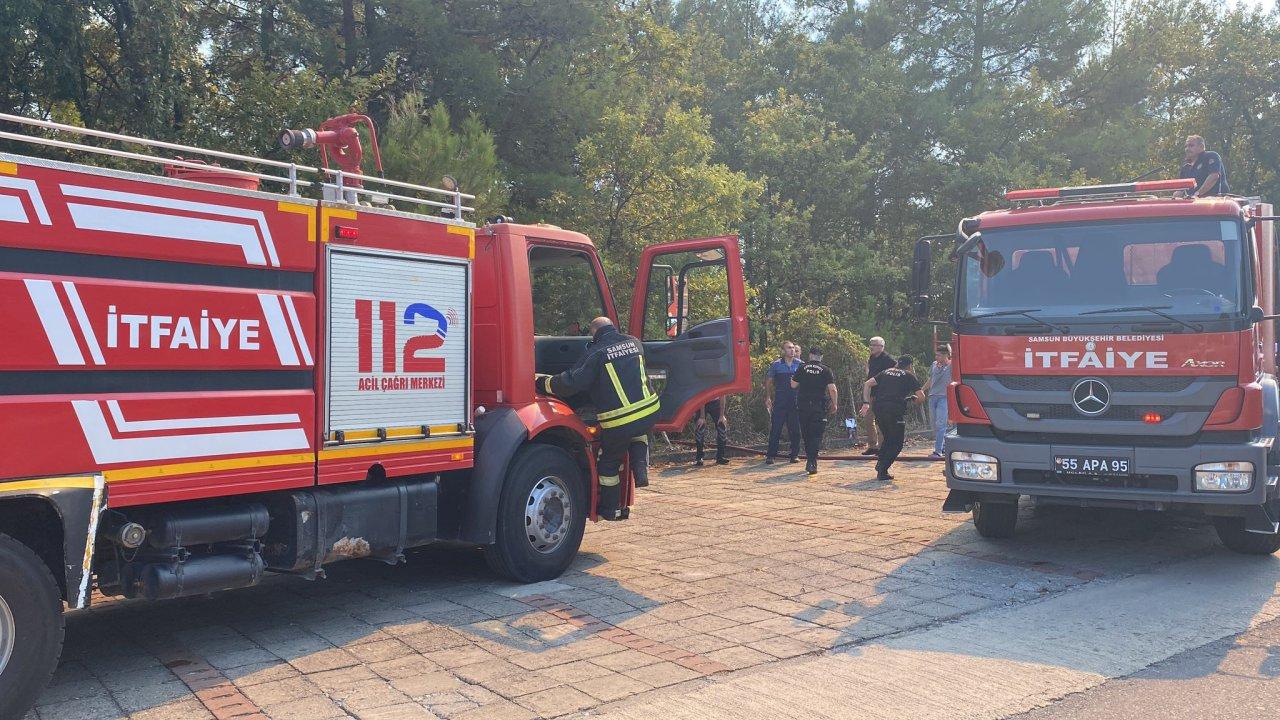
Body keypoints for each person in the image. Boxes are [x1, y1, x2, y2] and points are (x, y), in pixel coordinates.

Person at [536, 317, 658, 519]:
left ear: (594, 334)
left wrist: (543, 383)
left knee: (609, 464)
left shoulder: (596, 352)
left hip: (620, 421)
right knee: (639, 430)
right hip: (650, 411)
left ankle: (611, 510)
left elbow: (571, 383)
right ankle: (640, 469)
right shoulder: (634, 342)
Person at [861, 355, 924, 482]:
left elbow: (867, 384)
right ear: (910, 366)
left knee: (888, 439)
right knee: (897, 443)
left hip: (879, 408)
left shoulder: (886, 372)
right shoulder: (908, 375)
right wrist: (915, 400)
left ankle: (880, 464)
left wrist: (866, 402)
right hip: (894, 411)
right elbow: (921, 397)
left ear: (897, 363)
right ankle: (883, 469)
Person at [791, 346, 838, 475]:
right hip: (818, 406)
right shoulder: (826, 370)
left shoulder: (802, 367)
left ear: (810, 355)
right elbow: (832, 389)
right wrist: (834, 404)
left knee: (806, 433)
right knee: (816, 434)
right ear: (821, 357)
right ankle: (812, 461)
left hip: (803, 405)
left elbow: (793, 384)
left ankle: (809, 459)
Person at [764, 341, 802, 464]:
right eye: (789, 348)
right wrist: (768, 397)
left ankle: (794, 454)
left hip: (795, 401)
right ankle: (771, 455)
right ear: (783, 351)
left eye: (793, 348)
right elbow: (769, 381)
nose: (792, 350)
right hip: (780, 401)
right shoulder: (776, 365)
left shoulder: (800, 364)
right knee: (776, 428)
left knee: (795, 429)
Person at [861, 336, 896, 456]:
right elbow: (869, 371)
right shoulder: (871, 358)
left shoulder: (888, 359)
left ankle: (882, 447)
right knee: (868, 419)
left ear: (881, 347)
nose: (871, 347)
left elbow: (896, 373)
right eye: (870, 344)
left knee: (881, 421)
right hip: (872, 392)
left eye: (874, 345)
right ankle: (872, 446)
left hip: (883, 394)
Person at [922, 345, 952, 460]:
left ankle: (938, 450)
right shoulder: (934, 365)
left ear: (946, 355)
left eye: (939, 355)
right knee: (934, 425)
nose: (936, 357)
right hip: (932, 396)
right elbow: (931, 379)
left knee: (941, 424)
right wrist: (922, 390)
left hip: (944, 397)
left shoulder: (951, 365)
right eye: (936, 355)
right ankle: (943, 447)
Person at [694, 397, 729, 466]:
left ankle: (720, 457)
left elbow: (722, 397)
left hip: (715, 403)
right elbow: (702, 396)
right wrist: (702, 417)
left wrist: (722, 416)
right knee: (700, 427)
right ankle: (699, 457)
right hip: (701, 401)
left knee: (722, 426)